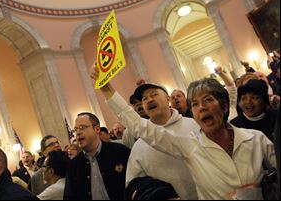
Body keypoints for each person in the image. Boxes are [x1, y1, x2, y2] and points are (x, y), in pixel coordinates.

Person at [90, 64, 276, 199]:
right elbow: (140, 127)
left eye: (208, 100)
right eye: (195, 104)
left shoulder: (256, 140)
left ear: (225, 106)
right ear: (192, 113)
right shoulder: (189, 145)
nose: (201, 107)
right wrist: (107, 90)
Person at [64, 112, 130, 200]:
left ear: (97, 129)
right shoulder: (74, 165)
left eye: (82, 128)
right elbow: (69, 196)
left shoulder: (120, 152)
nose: (78, 133)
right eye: (75, 129)